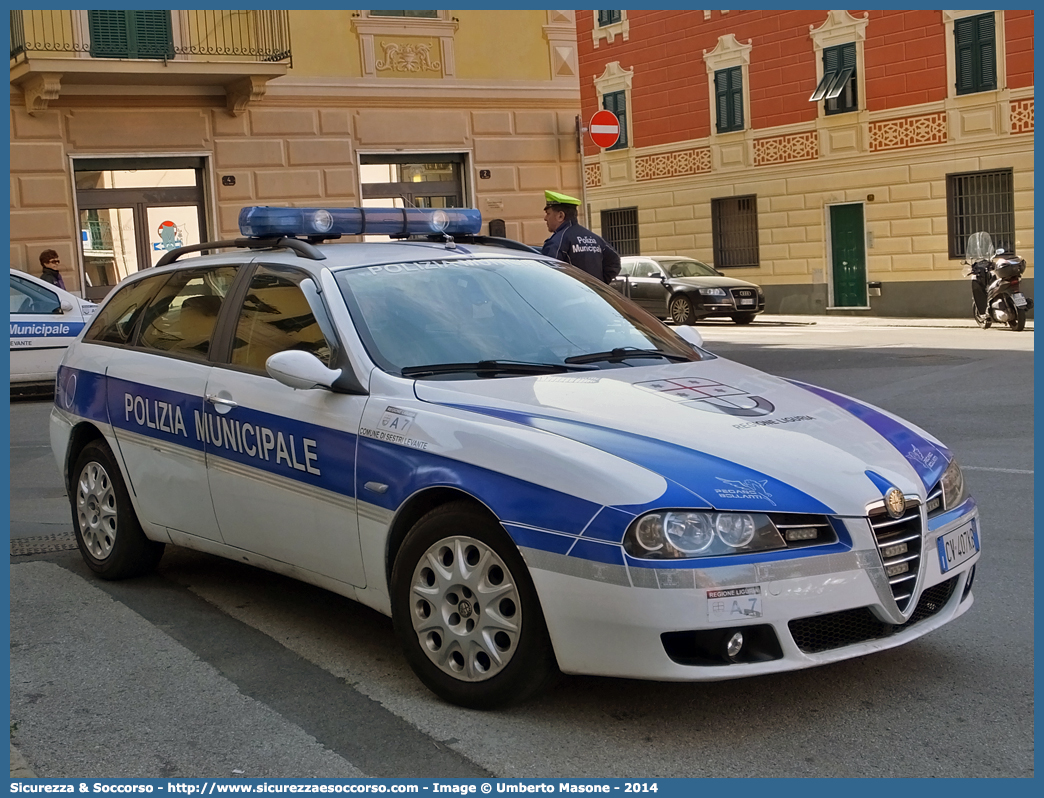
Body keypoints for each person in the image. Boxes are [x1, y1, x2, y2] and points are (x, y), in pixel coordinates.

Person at [540, 190, 621, 284]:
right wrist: (600, 284)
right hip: (594, 296)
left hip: (570, 295)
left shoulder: (558, 241)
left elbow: (549, 275)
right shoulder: (595, 238)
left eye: (548, 213)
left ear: (560, 216)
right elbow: (614, 261)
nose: (545, 218)